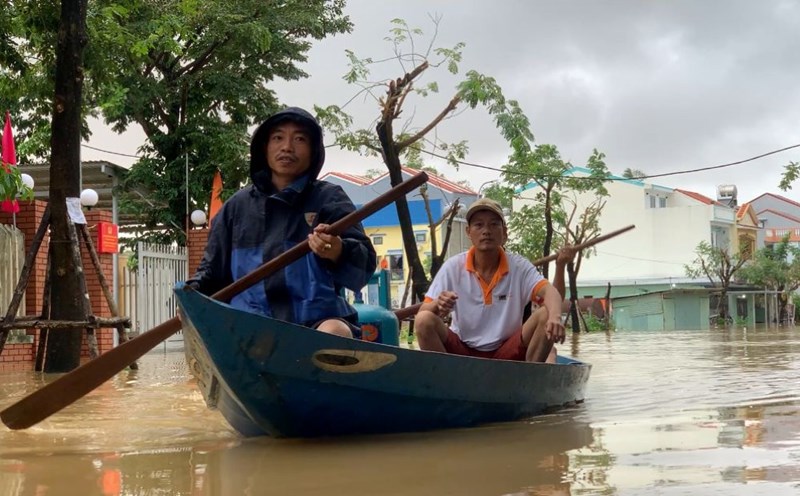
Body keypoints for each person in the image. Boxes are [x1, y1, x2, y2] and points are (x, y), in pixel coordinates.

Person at [189, 107, 377, 337]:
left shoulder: (330, 199)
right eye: (278, 138)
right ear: (264, 148)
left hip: (316, 322)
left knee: (337, 332)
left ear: (313, 151)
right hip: (248, 325)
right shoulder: (236, 207)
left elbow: (363, 270)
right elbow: (211, 273)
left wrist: (338, 251)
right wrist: (191, 293)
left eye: (299, 139)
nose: (287, 147)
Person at [415, 198, 574, 362]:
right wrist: (438, 304)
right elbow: (423, 312)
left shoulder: (519, 266)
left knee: (547, 312)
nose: (486, 231)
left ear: (504, 232)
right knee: (423, 320)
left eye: (493, 225)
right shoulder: (453, 267)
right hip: (463, 352)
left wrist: (555, 317)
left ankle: (529, 379)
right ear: (468, 232)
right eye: (479, 225)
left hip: (507, 353)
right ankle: (446, 380)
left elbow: (551, 293)